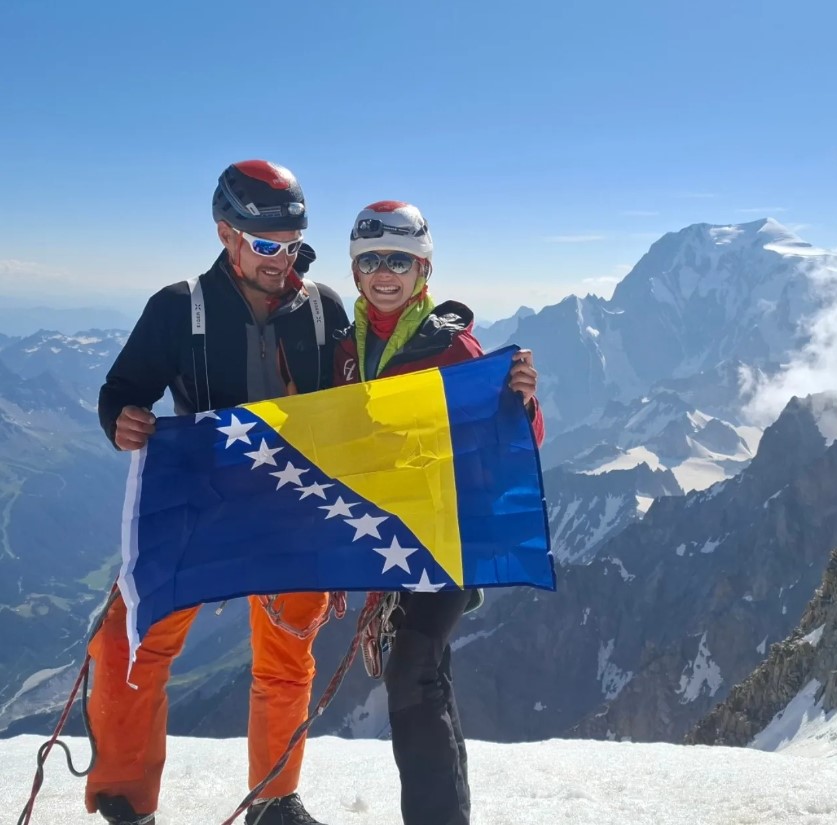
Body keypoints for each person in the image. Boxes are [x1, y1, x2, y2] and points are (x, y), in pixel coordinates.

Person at [89, 160, 348, 825]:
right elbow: (123, 390)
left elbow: (359, 403)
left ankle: (274, 799)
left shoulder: (323, 309)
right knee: (127, 644)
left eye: (291, 242)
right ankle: (126, 796)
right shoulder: (178, 309)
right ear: (226, 232)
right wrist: (121, 420)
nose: (281, 258)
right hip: (201, 501)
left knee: (287, 655)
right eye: (266, 244)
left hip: (290, 508)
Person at [333, 200, 545, 825]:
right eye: (371, 260)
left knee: (413, 676)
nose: (384, 272)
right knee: (428, 678)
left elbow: (514, 439)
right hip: (387, 536)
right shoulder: (347, 349)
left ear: (423, 269)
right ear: (355, 270)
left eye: (400, 259)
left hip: (446, 536)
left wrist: (523, 403)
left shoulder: (453, 348)